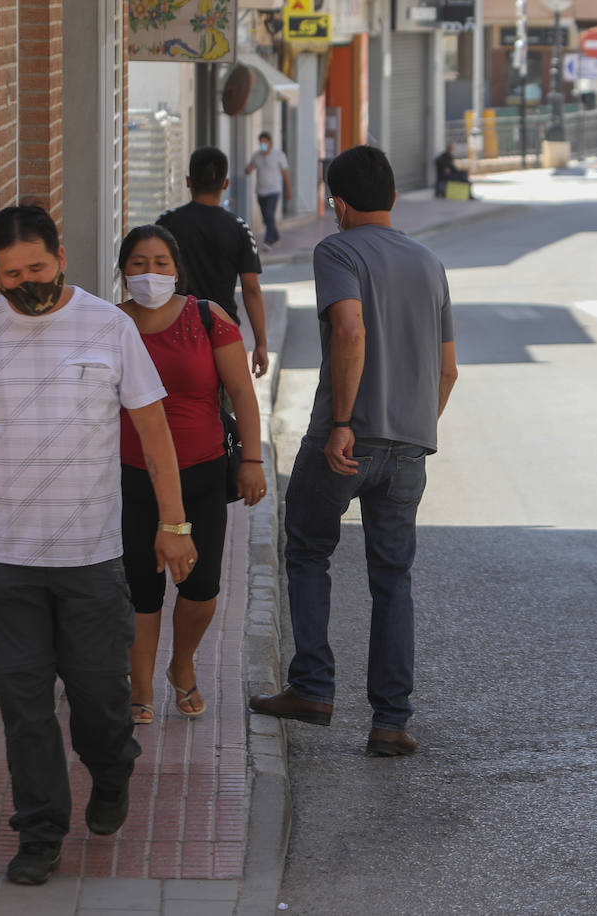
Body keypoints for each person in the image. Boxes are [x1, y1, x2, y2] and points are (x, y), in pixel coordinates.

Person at [0, 205, 196, 887]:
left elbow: (152, 428)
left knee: (100, 704)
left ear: (62, 256)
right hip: (7, 562)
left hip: (90, 559)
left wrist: (174, 524)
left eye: (37, 268)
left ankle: (112, 772)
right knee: (24, 709)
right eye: (12, 274)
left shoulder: (108, 328)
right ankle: (40, 832)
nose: (27, 283)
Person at [248, 146, 459, 758]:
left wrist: (343, 421)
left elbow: (349, 329)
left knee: (309, 550)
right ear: (392, 195)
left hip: (345, 439)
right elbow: (447, 372)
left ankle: (312, 687)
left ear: (338, 203)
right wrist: (411, 431)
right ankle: (390, 721)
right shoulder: (430, 262)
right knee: (393, 580)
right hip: (409, 446)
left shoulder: (336, 251)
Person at [115, 225, 267, 724]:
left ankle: (181, 665)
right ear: (123, 271)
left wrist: (250, 460)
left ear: (176, 270)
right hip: (132, 478)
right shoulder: (111, 325)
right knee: (142, 589)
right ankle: (140, 685)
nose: (150, 272)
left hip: (201, 474)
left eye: (160, 263)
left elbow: (241, 393)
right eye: (139, 263)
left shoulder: (207, 318)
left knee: (200, 589)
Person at [158, 146, 270, 378]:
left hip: (174, 330)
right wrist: (261, 344)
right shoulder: (239, 229)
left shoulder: (166, 225)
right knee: (222, 407)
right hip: (221, 331)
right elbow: (251, 289)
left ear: (189, 182)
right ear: (225, 184)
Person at [244, 131, 291, 248]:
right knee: (266, 218)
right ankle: (275, 236)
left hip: (274, 191)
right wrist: (248, 170)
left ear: (270, 142)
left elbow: (285, 174)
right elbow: (249, 168)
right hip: (260, 191)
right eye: (261, 142)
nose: (262, 144)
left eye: (265, 142)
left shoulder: (279, 155)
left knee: (269, 214)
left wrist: (289, 190)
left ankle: (268, 241)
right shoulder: (256, 156)